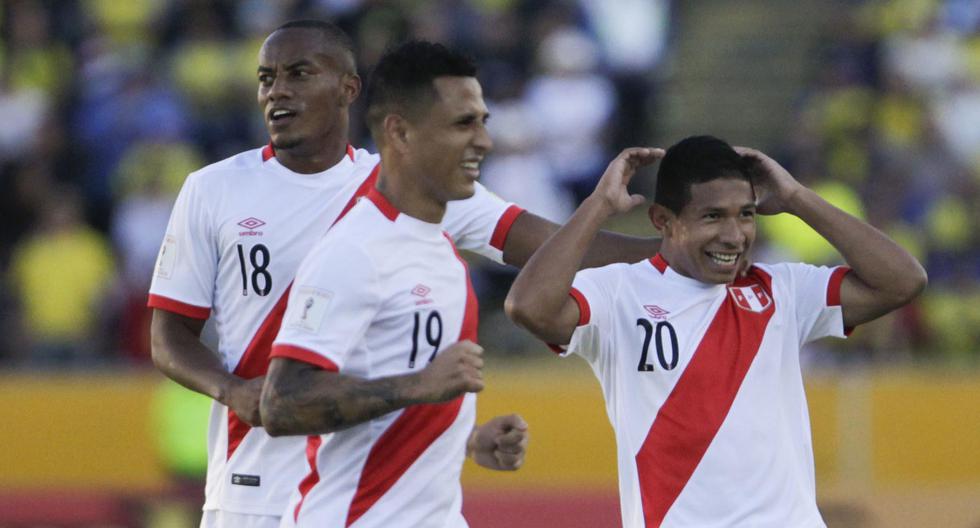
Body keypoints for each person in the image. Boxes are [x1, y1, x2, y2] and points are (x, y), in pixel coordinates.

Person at [148, 20, 659, 528]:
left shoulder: (411, 184)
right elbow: (169, 335)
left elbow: (556, 246)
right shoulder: (213, 189)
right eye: (266, 77)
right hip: (253, 486)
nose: (277, 90)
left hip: (368, 494)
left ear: (349, 89)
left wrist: (676, 253)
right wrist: (231, 390)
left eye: (298, 73)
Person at [505, 136, 927, 527]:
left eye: (745, 215)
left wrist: (797, 198)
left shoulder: (780, 289)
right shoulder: (618, 292)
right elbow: (528, 307)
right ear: (662, 220)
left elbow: (902, 281)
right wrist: (598, 204)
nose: (733, 235)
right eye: (712, 216)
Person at [262, 39, 531, 527]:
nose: (484, 141)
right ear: (400, 133)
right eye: (463, 124)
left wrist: (462, 440)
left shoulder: (440, 250)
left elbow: (396, 390)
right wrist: (418, 386)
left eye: (483, 123)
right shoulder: (353, 251)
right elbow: (282, 403)